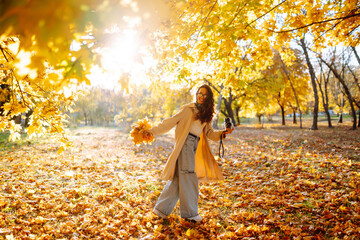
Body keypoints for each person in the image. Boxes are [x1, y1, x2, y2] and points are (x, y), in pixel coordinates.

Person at [145, 84, 234, 222]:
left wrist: (223, 133)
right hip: (185, 143)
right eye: (199, 93)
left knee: (177, 179)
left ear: (209, 98)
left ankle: (160, 210)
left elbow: (209, 133)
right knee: (188, 176)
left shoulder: (206, 113)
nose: (201, 96)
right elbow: (169, 122)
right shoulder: (188, 109)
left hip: (194, 145)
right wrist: (151, 131)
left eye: (205, 95)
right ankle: (190, 215)